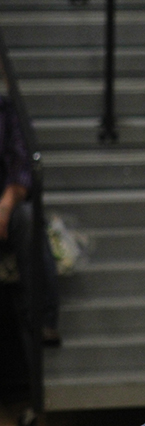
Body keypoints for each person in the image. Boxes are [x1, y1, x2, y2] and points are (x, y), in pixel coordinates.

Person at [0, 96, 60, 346]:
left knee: (27, 217)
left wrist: (4, 206)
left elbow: (22, 166)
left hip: (4, 204)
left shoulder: (6, 111)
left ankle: (41, 320)